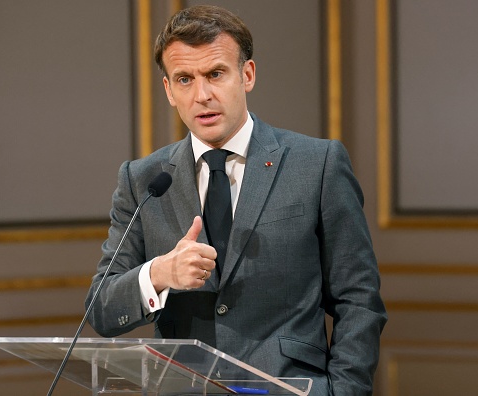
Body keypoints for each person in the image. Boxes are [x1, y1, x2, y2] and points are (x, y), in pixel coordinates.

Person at [86, 5, 387, 395]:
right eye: (184, 79)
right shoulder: (143, 179)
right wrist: (160, 273)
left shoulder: (318, 164)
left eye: (215, 74)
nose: (202, 95)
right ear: (168, 91)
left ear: (247, 75)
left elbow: (358, 299)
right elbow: (101, 309)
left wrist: (342, 392)